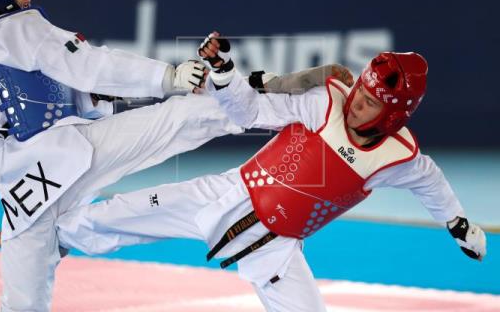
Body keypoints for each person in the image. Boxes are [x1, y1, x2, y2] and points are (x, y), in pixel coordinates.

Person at [0, 0, 350, 311]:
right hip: (67, 157)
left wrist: (13, 211)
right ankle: (278, 93)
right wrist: (167, 77)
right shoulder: (20, 27)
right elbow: (90, 64)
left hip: (27, 183)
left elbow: (17, 121)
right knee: (183, 118)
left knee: (24, 303)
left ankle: (267, 91)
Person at [55, 35, 487, 312]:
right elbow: (250, 110)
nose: (357, 103)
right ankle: (51, 235)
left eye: (373, 102)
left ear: (395, 115)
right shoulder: (324, 102)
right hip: (227, 195)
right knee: (121, 213)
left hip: (277, 251)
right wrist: (227, 75)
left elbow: (429, 180)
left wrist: (457, 222)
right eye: (361, 92)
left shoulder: (396, 157)